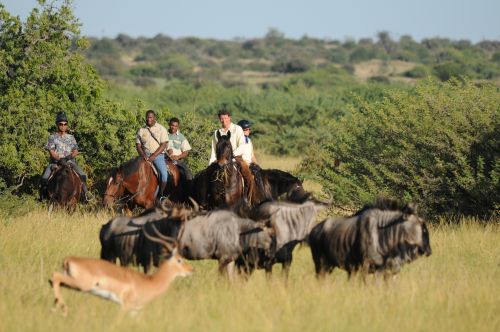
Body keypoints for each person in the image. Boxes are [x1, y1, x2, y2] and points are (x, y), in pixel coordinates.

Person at [40, 112, 91, 201]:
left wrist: (67, 158)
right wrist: (59, 159)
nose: (63, 126)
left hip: (69, 162)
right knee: (44, 177)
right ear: (57, 124)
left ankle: (86, 194)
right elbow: (51, 151)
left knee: (82, 175)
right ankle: (43, 196)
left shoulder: (71, 137)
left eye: (65, 124)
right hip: (55, 163)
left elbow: (76, 151)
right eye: (61, 124)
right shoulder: (52, 137)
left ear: (67, 125)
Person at [209, 108, 254, 203]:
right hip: (220, 159)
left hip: (236, 158)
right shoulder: (216, 133)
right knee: (207, 176)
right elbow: (213, 149)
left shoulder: (237, 129)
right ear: (219, 119)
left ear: (229, 118)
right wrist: (211, 163)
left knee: (248, 177)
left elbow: (242, 145)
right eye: (222, 118)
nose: (224, 120)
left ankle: (247, 200)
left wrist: (232, 156)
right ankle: (206, 202)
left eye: (226, 118)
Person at [136, 110, 169, 198]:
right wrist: (143, 155)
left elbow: (163, 144)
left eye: (150, 117)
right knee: (132, 171)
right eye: (147, 117)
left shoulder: (161, 129)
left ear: (154, 118)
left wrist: (153, 156)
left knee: (164, 174)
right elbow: (138, 145)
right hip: (144, 155)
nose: (148, 119)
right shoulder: (141, 130)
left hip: (157, 156)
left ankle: (161, 195)